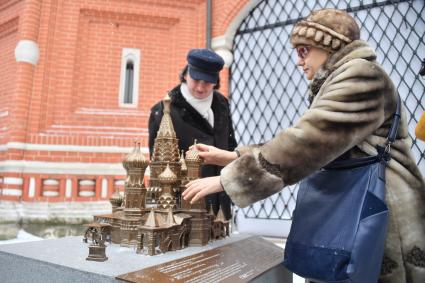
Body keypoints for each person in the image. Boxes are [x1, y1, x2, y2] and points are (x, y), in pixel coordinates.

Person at [183, 8, 425, 283]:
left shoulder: (362, 75)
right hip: (356, 207)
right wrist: (232, 156)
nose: (298, 61)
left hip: (382, 214)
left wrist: (229, 180)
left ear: (329, 45)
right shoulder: (340, 78)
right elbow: (308, 138)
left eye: (303, 50)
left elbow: (310, 139)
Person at [148, 48, 237, 220]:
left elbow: (230, 143)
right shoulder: (163, 110)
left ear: (216, 81)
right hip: (186, 202)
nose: (201, 87)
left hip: (220, 196)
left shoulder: (221, 103)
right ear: (186, 74)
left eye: (208, 82)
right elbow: (158, 163)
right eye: (196, 80)